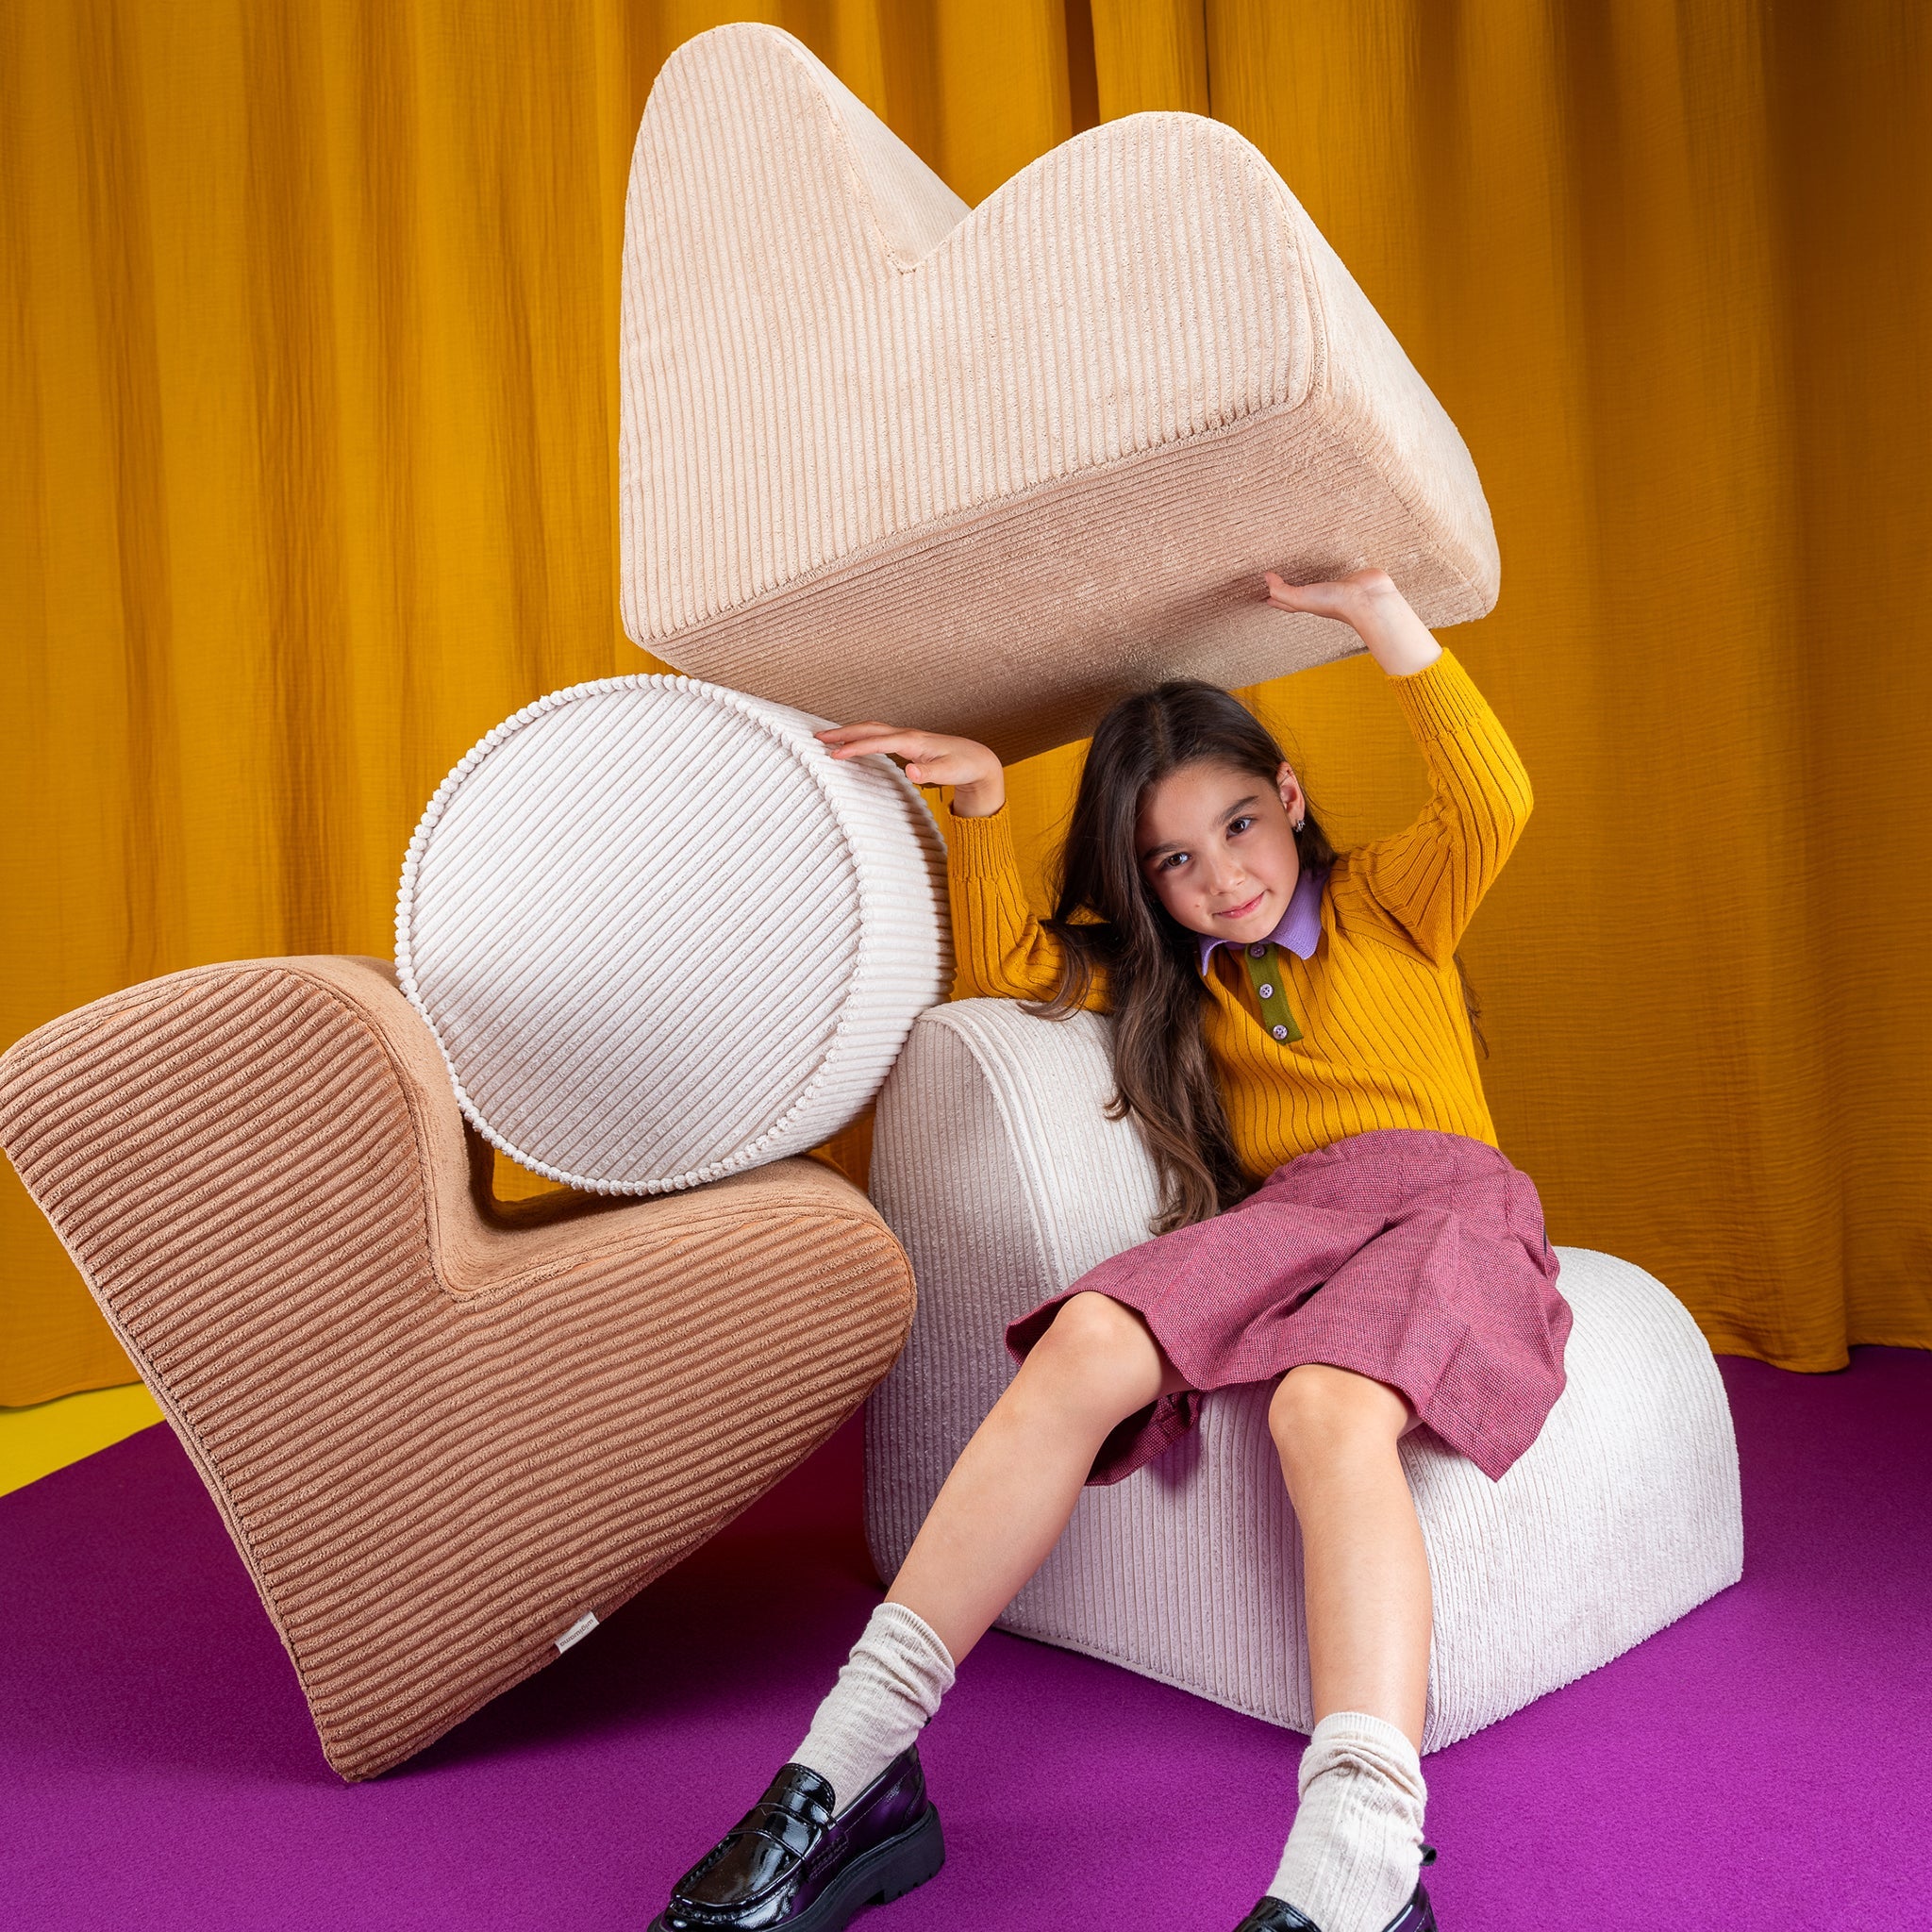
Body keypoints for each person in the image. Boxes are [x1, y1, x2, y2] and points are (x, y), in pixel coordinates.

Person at [649, 570, 1571, 1932]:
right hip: (1289, 1219)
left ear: (1293, 798)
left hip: (1451, 1203)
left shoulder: (1390, 903)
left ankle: (1364, 1864)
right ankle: (845, 1775)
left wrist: (1384, 617)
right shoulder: (1171, 985)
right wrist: (980, 802)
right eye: (1174, 861)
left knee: (1323, 1406)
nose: (1223, 878)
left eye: (1241, 826)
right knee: (1085, 1334)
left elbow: (1495, 800)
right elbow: (1006, 966)